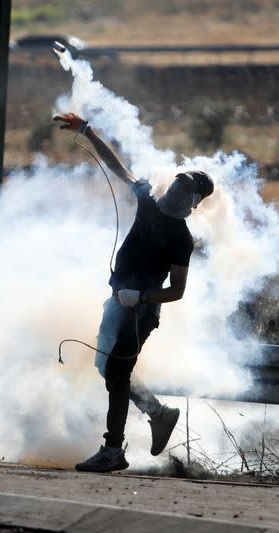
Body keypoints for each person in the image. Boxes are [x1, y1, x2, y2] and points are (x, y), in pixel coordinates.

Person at [53, 112, 214, 473]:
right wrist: (87, 131)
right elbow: (117, 166)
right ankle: (157, 413)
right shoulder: (147, 200)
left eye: (186, 189)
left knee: (118, 374)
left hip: (140, 312)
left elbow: (177, 291)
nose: (176, 189)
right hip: (118, 301)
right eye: (178, 181)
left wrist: (140, 300)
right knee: (105, 365)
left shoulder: (181, 239)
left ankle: (113, 449)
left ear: (194, 202)